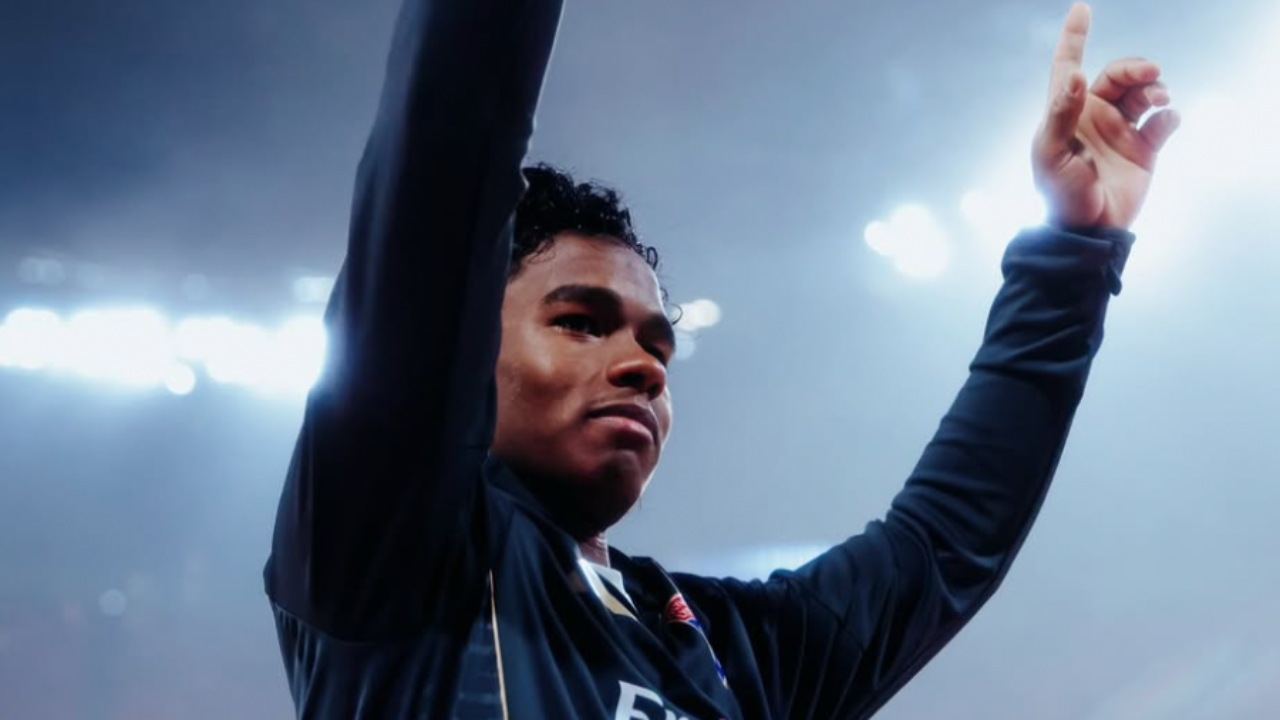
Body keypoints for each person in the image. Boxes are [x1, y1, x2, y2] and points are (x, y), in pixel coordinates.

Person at [263, 1, 1179, 718]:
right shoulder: (393, 542)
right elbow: (444, 151)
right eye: (581, 322)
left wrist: (1072, 252)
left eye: (656, 344)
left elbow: (941, 546)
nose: (643, 366)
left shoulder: (728, 648)